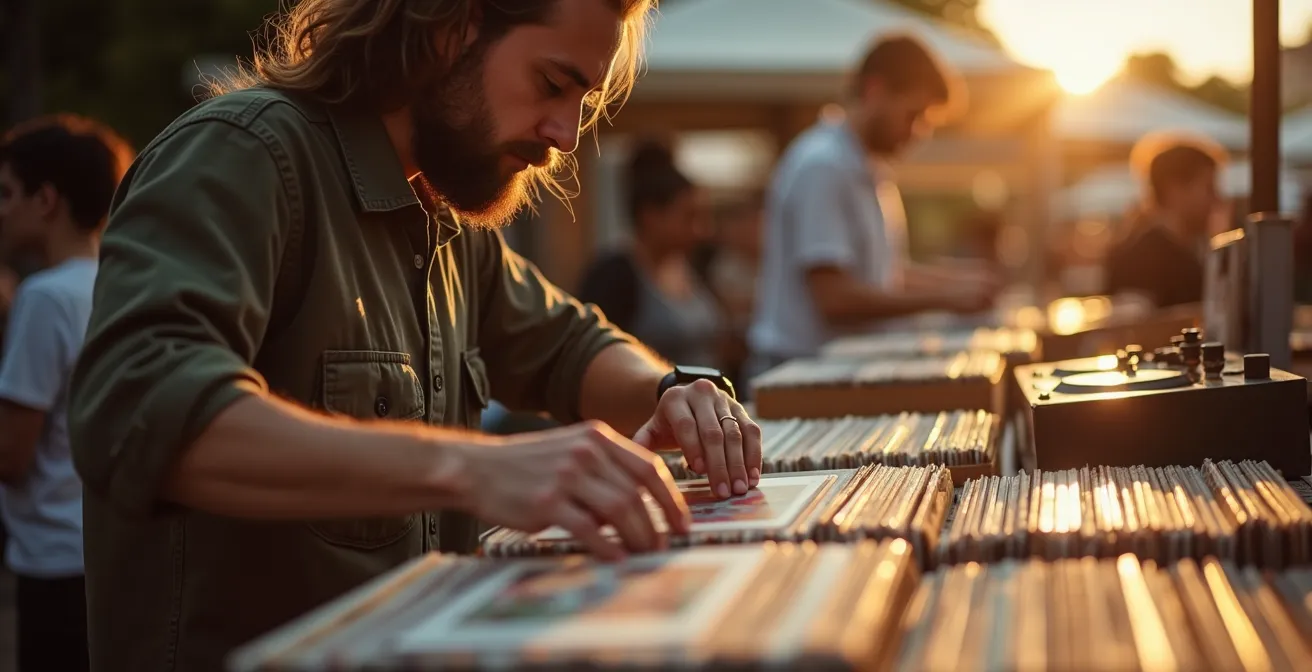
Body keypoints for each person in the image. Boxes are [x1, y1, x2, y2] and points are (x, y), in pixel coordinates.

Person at [66, 1, 762, 669]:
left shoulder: (446, 220)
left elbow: (567, 345)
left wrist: (668, 391)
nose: (565, 136)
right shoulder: (241, 155)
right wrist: (473, 469)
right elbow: (143, 412)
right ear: (449, 28)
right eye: (553, 84)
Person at [746, 34, 998, 380]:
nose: (918, 132)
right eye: (914, 114)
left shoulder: (864, 169)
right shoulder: (824, 166)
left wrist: (959, 282)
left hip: (822, 375)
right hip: (799, 376)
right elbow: (833, 299)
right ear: (875, 91)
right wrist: (947, 297)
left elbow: (883, 275)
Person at [0, 114, 134, 672]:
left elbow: (12, 457)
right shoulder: (120, 284)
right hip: (110, 553)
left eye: (6, 193)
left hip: (52, 565)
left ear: (46, 199)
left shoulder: (45, 297)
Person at [577, 139, 723, 367]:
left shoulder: (689, 266)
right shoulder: (615, 276)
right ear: (650, 217)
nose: (702, 230)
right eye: (689, 217)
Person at [1104, 132, 1227, 308]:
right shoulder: (1141, 259)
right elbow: (1132, 331)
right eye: (1209, 188)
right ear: (1174, 190)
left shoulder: (1189, 252)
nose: (1217, 199)